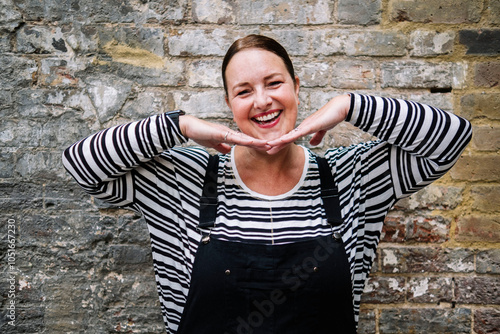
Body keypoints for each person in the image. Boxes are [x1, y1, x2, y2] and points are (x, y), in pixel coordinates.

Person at [63, 34, 472, 333]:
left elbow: (451, 138)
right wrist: (181, 125)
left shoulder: (354, 177)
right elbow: (81, 165)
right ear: (229, 105)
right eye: (244, 91)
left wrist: (349, 105)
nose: (261, 101)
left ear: (296, 87)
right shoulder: (181, 179)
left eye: (274, 83)